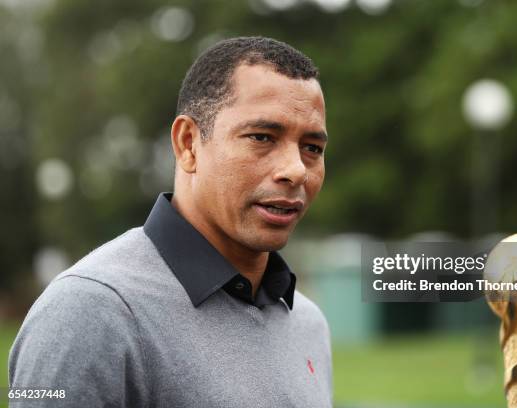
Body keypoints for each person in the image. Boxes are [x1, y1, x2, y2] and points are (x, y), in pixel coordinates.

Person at [9, 36, 332, 407]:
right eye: (262, 137)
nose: (296, 170)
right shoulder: (87, 310)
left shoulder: (308, 322)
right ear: (188, 144)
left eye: (312, 148)